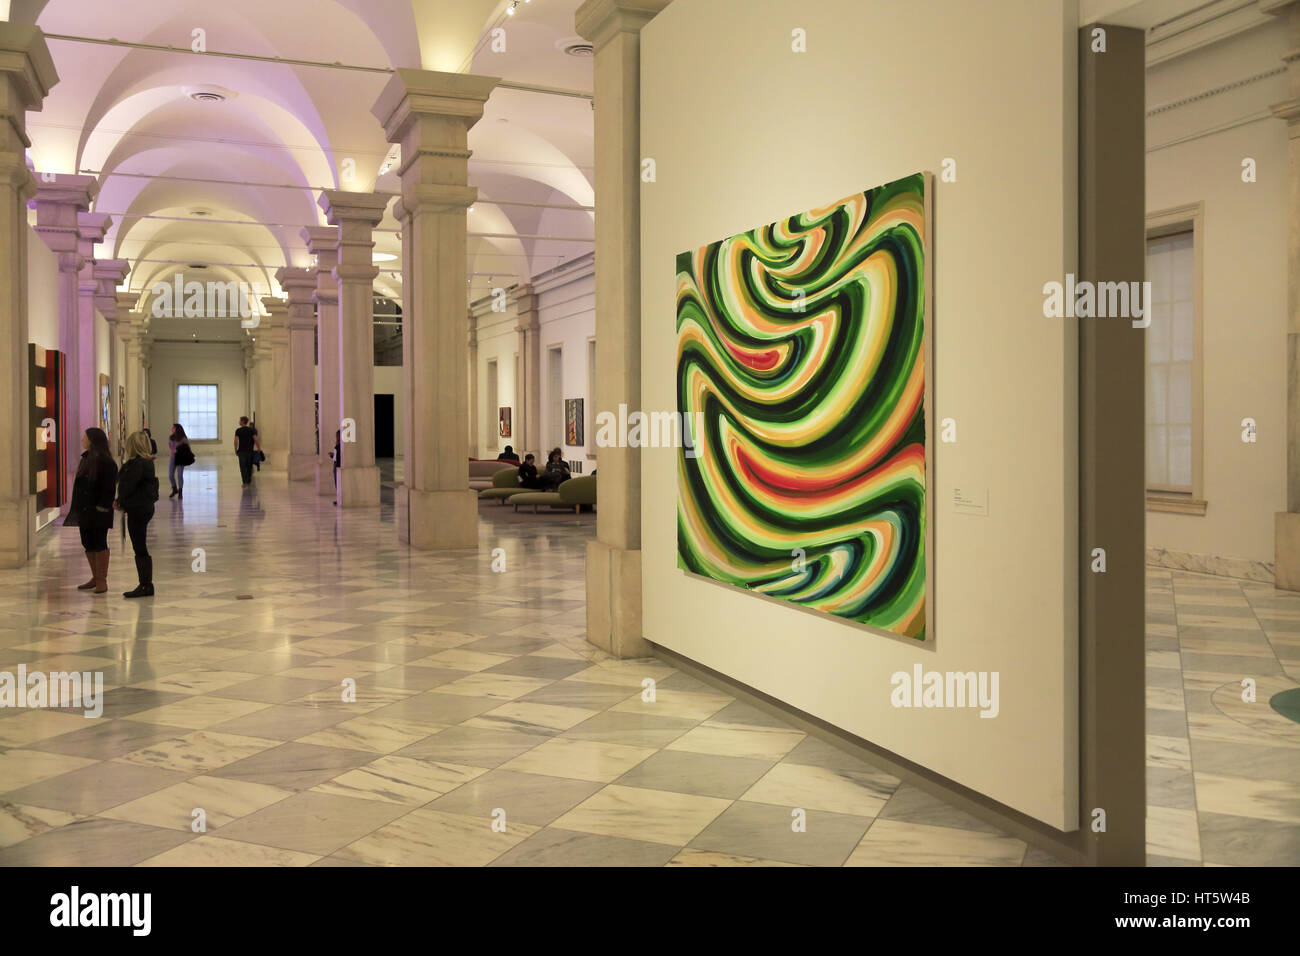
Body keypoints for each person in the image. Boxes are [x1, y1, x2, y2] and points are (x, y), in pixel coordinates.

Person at [65, 427, 117, 594]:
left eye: (84, 438)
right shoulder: (86, 458)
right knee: (87, 542)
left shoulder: (106, 461)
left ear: (93, 440)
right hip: (84, 509)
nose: (82, 440)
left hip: (98, 510)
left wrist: (102, 506)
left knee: (99, 541)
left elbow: (109, 488)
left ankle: (102, 579)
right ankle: (95, 576)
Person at [115, 430, 158, 599]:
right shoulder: (145, 462)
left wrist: (119, 501)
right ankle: (145, 584)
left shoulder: (138, 464)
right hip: (142, 507)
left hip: (138, 508)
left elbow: (129, 486)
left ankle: (146, 584)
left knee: (139, 546)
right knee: (139, 545)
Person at [234, 416, 260, 485]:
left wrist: (235, 450)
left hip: (241, 452)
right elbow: (255, 439)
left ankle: (244, 482)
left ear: (242, 421)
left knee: (242, 467)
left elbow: (236, 441)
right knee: (249, 466)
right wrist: (258, 448)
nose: (239, 422)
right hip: (250, 451)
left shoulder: (238, 430)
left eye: (239, 420)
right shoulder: (251, 430)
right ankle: (248, 481)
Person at [167, 423, 190, 499]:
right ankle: (174, 489)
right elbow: (170, 446)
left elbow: (187, 448)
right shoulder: (170, 438)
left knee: (179, 475)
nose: (172, 429)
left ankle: (180, 491)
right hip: (173, 458)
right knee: (170, 474)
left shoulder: (183, 438)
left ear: (177, 429)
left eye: (173, 428)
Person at [329, 429, 341, 506]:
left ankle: (339, 499)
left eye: (337, 436)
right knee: (337, 483)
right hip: (336, 465)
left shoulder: (338, 446)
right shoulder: (339, 445)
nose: (336, 437)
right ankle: (339, 499)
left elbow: (337, 457)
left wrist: (332, 455)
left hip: (337, 465)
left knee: (338, 483)